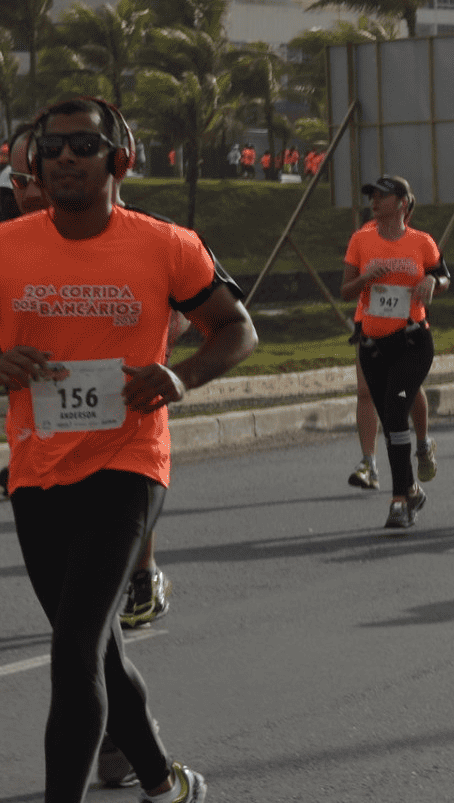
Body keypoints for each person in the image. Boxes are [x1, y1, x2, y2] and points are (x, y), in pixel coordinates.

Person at [4, 95, 258, 802]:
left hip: (128, 462)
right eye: (51, 149)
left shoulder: (167, 245)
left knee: (74, 645)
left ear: (121, 159)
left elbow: (236, 329)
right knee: (97, 647)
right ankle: (164, 780)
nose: (64, 159)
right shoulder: (7, 247)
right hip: (37, 468)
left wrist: (181, 376)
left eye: (83, 146)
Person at [341, 176, 450, 531]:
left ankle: (399, 499)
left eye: (382, 196)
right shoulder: (361, 240)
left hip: (411, 342)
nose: (374, 201)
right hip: (373, 345)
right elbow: (345, 291)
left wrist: (433, 281)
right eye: (371, 196)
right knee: (391, 422)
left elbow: (443, 275)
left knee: (394, 409)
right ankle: (411, 489)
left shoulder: (422, 242)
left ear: (402, 202)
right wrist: (365, 278)